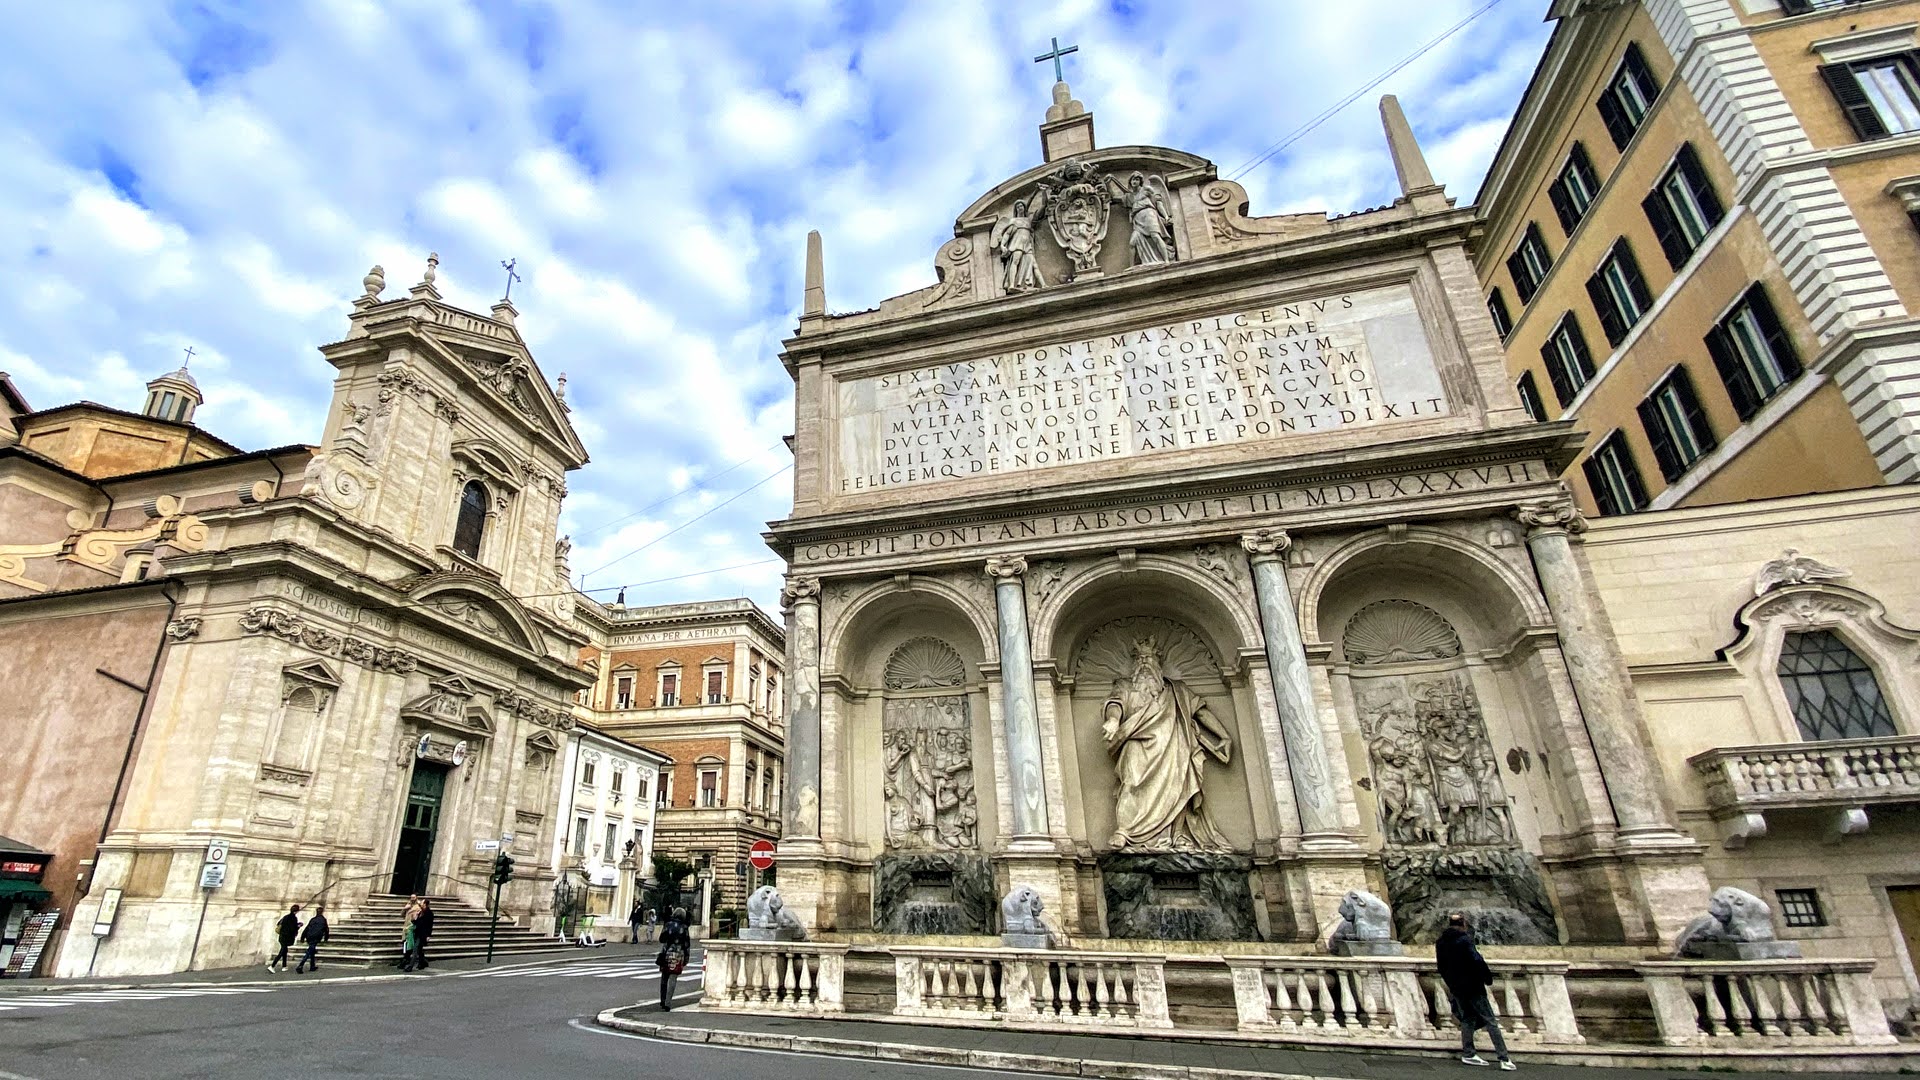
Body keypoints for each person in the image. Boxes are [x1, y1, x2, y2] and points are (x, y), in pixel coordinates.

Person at [1436, 912, 1515, 1070]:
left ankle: (1469, 1053)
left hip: (1456, 987)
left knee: (1467, 1019)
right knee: (1490, 1021)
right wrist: (1487, 978)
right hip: (1473, 986)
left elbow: (1441, 966)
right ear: (1463, 924)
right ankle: (1504, 1058)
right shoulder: (1465, 940)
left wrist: (1451, 983)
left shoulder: (1441, 942)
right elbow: (1477, 960)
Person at [655, 907, 691, 1011]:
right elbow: (687, 944)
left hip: (666, 952)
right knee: (673, 979)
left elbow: (661, 939)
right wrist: (686, 958)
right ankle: (668, 1002)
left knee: (664, 978)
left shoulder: (668, 924)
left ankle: (662, 1000)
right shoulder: (684, 927)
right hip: (678, 954)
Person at [294, 902, 329, 973]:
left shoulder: (313, 919)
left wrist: (302, 937)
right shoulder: (323, 920)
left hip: (309, 936)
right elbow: (326, 930)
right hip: (316, 937)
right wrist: (326, 938)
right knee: (309, 951)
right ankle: (301, 965)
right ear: (322, 912)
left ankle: (312, 966)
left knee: (312, 950)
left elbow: (307, 928)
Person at [269, 904, 301, 973]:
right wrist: (298, 926)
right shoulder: (294, 918)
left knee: (284, 951)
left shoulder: (286, 917)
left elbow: (278, 923)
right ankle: (272, 966)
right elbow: (293, 929)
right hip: (287, 937)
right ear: (296, 911)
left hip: (282, 936)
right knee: (282, 952)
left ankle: (284, 966)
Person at [407, 897, 435, 971]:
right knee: (419, 950)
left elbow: (430, 925)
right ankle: (423, 962)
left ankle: (410, 966)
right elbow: (416, 922)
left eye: (422, 903)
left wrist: (428, 935)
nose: (420, 904)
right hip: (417, 932)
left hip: (423, 934)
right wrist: (415, 917)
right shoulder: (421, 912)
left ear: (425, 904)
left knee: (415, 949)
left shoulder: (429, 913)